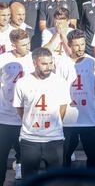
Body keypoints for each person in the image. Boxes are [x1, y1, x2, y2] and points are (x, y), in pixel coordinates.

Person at [13, 47, 71, 179]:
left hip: (54, 139)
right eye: (44, 64)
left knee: (55, 181)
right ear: (34, 63)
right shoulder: (23, 83)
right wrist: (30, 122)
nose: (49, 67)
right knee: (29, 180)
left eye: (51, 63)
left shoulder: (60, 82)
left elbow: (63, 107)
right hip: (29, 140)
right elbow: (20, 108)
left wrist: (54, 124)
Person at [62, 29, 95, 168]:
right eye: (76, 45)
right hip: (68, 118)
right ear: (69, 45)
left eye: (83, 44)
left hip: (89, 118)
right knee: (64, 155)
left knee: (93, 155)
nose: (80, 48)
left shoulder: (94, 63)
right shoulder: (62, 63)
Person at [0, 29, 34, 184]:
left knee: (28, 160)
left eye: (28, 43)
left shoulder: (33, 58)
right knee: (1, 157)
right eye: (23, 44)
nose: (27, 47)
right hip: (5, 117)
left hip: (26, 117)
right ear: (13, 45)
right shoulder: (3, 59)